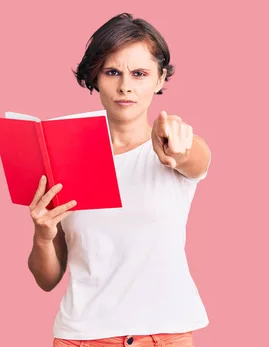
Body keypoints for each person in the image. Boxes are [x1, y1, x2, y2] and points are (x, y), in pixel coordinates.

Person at [26, 13, 211, 347]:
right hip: (82, 338)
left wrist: (178, 145)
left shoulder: (172, 144)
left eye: (139, 73)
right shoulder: (62, 158)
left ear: (159, 79)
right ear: (96, 77)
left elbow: (194, 158)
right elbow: (47, 279)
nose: (125, 85)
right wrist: (42, 235)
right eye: (113, 72)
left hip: (165, 336)